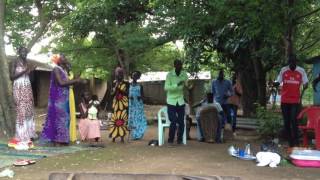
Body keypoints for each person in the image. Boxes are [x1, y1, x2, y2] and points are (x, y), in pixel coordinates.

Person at [41, 54, 84, 145]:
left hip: (64, 98)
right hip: (58, 98)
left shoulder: (64, 70)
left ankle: (62, 139)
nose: (65, 58)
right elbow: (61, 83)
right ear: (58, 60)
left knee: (65, 117)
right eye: (63, 57)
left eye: (65, 57)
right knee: (60, 117)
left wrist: (77, 81)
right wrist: (76, 80)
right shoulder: (56, 69)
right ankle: (57, 140)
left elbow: (68, 84)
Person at [274, 55, 308, 147]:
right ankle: (290, 142)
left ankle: (296, 140)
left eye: (294, 62)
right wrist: (275, 83)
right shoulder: (283, 70)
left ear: (296, 62)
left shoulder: (301, 71)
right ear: (288, 62)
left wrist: (305, 85)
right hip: (285, 100)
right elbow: (278, 81)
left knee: (294, 120)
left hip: (295, 101)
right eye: (290, 62)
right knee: (287, 121)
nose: (292, 63)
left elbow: (306, 82)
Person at [9, 46, 37, 144]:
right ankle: (21, 135)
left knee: (29, 110)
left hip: (27, 87)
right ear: (19, 52)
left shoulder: (28, 63)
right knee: (21, 109)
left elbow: (32, 79)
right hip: (18, 87)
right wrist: (25, 71)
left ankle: (29, 134)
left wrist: (32, 71)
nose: (24, 53)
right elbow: (11, 77)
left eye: (26, 51)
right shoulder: (14, 62)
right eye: (22, 51)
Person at [164, 59, 188, 145]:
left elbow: (187, 85)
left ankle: (179, 139)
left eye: (181, 65)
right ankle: (170, 139)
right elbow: (166, 88)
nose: (180, 67)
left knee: (181, 122)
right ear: (174, 66)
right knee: (173, 121)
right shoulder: (169, 75)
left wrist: (189, 86)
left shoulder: (184, 74)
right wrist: (177, 84)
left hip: (181, 101)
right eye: (178, 65)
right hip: (171, 101)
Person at [109, 67, 129, 143]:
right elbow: (111, 95)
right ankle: (114, 137)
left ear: (122, 74)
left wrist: (119, 89)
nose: (119, 74)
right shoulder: (113, 83)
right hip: (116, 104)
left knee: (122, 120)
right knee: (114, 120)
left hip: (123, 104)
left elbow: (127, 94)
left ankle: (122, 137)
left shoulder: (126, 83)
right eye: (117, 73)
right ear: (115, 74)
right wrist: (115, 88)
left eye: (120, 73)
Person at [128, 71, 147, 140]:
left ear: (138, 77)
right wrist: (129, 97)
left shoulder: (140, 86)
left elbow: (143, 96)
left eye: (136, 75)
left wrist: (140, 97)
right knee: (132, 119)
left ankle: (139, 134)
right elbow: (126, 94)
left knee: (139, 119)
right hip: (131, 105)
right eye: (133, 75)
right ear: (131, 76)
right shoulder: (128, 85)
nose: (134, 77)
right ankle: (134, 134)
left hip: (138, 105)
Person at [67, 63, 77, 143]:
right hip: (63, 93)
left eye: (70, 65)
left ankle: (71, 135)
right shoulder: (61, 73)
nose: (69, 67)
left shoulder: (71, 73)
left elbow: (72, 83)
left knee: (71, 113)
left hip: (70, 92)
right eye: (68, 65)